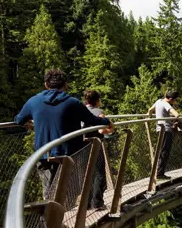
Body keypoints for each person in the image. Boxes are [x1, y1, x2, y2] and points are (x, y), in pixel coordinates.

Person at [14, 69, 113, 199]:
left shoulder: (33, 101)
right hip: (70, 154)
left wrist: (32, 120)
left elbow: (18, 119)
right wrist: (107, 121)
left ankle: (49, 217)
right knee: (69, 192)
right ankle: (68, 216)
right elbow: (93, 120)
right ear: (65, 85)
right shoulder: (73, 103)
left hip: (44, 153)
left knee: (48, 192)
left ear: (46, 84)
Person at [83, 90, 110, 211]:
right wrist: (110, 131)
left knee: (86, 174)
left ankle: (86, 203)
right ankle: (97, 203)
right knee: (99, 173)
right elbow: (101, 130)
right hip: (95, 145)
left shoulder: (80, 111)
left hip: (81, 146)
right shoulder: (99, 112)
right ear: (97, 101)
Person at [147, 90, 180, 180]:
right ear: (170, 99)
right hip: (166, 130)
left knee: (162, 151)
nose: (174, 102)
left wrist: (149, 116)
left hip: (159, 129)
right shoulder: (166, 104)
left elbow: (150, 110)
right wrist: (174, 122)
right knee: (165, 152)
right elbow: (176, 114)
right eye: (174, 100)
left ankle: (158, 172)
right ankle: (160, 174)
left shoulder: (158, 101)